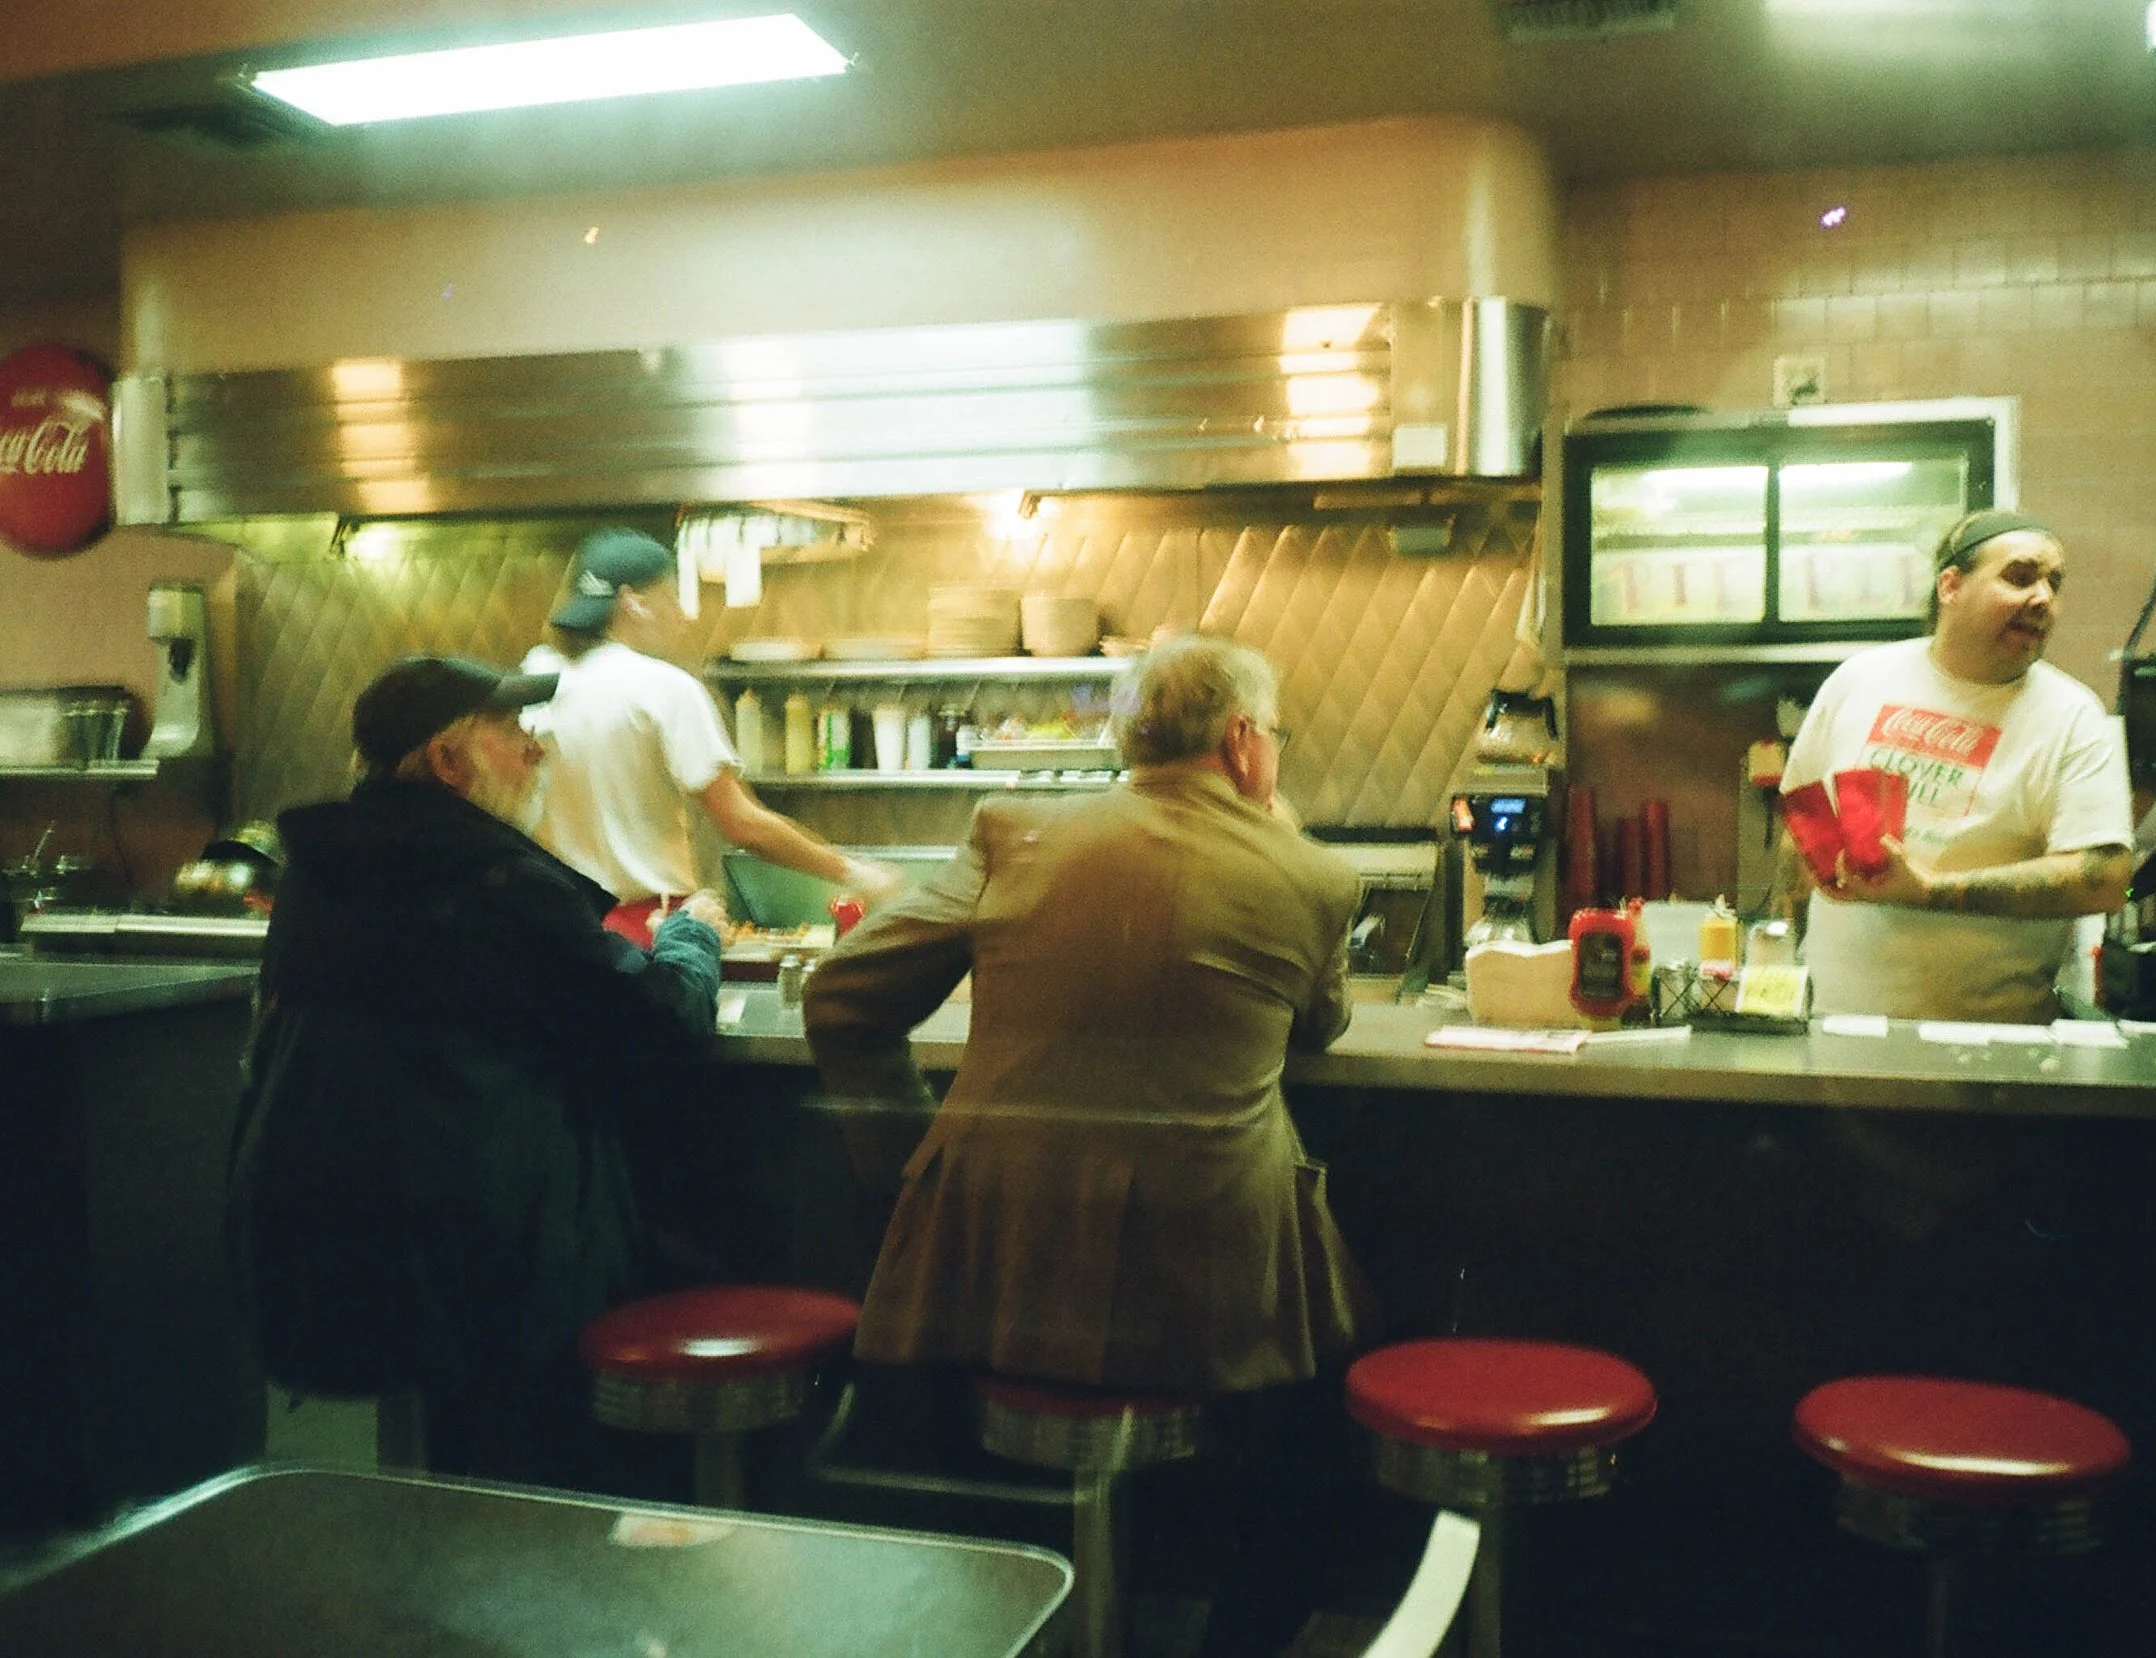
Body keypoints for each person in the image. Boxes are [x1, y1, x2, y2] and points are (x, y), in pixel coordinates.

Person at [803, 632, 1370, 1657]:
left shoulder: (1015, 831)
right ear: (1245, 743)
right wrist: (1276, 835)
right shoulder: (1312, 873)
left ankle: (1000, 1622)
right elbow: (1317, 1027)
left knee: (925, 1438)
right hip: (1209, 1276)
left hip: (992, 1261)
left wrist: (906, 1170)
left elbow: (841, 996)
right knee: (1328, 1419)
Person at [227, 655, 730, 1485]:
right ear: (448, 762)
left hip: (311, 1238)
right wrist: (693, 933)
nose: (536, 750)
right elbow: (662, 1019)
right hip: (475, 1258)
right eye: (512, 732)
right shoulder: (492, 880)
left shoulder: (320, 874)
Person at [1778, 509, 2133, 1022]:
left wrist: (1930, 892)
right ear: (1951, 586)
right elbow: (1801, 820)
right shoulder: (1859, 679)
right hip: (1835, 1028)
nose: (2043, 598)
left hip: (1991, 1049)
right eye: (2020, 576)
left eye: (2054, 583)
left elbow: (2106, 879)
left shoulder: (2071, 715)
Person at [522, 527, 900, 946]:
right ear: (635, 603)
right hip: (646, 930)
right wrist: (853, 871)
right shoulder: (662, 687)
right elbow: (742, 824)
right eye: (672, 596)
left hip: (552, 929)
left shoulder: (533, 680)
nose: (683, 614)